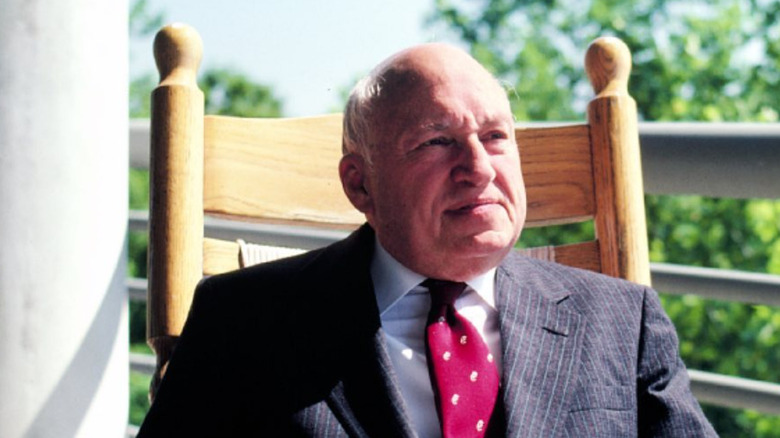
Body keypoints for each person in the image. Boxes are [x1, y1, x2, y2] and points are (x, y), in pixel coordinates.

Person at [137, 43, 717, 437]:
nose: (480, 169)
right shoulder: (243, 320)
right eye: (436, 143)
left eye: (494, 136)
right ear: (360, 184)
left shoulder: (621, 319)